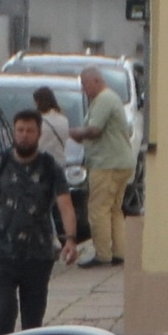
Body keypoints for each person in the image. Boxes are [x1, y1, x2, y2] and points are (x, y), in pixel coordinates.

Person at [0, 110, 78, 335]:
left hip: (37, 256)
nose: (24, 135)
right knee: (5, 313)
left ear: (39, 134)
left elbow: (65, 205)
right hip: (3, 255)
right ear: (14, 132)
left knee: (32, 322)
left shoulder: (50, 167)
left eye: (30, 131)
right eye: (20, 130)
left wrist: (70, 238)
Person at [69, 67, 136, 268]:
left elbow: (95, 129)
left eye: (84, 83)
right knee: (114, 209)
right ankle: (119, 252)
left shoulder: (104, 100)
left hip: (106, 164)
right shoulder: (111, 98)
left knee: (98, 209)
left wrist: (77, 133)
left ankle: (103, 254)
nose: (83, 89)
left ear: (96, 81)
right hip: (121, 162)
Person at [32, 86, 75, 167]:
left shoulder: (38, 121)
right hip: (59, 163)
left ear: (38, 102)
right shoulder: (64, 120)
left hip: (41, 164)